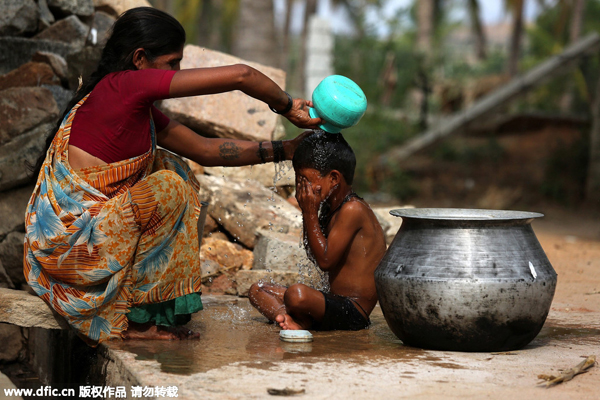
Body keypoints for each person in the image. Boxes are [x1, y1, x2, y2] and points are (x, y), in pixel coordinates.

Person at [23, 7, 322, 346]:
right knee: (168, 186)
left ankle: (147, 310)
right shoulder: (122, 88)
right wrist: (287, 106)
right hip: (73, 252)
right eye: (172, 62)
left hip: (89, 243)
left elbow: (205, 150)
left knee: (171, 166)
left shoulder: (135, 108)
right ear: (139, 58)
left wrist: (287, 149)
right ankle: (138, 322)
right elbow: (242, 75)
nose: (177, 72)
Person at [248, 131, 387, 331]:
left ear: (333, 179)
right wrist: (310, 213)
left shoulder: (352, 209)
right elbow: (313, 253)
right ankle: (289, 319)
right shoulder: (330, 207)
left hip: (353, 311)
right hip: (330, 303)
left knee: (296, 295)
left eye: (305, 180)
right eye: (298, 180)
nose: (300, 187)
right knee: (257, 290)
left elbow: (324, 261)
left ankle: (294, 320)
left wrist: (309, 212)